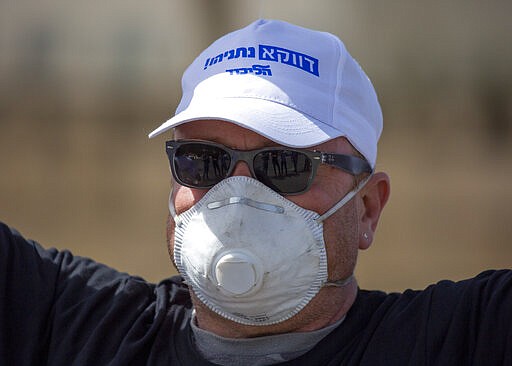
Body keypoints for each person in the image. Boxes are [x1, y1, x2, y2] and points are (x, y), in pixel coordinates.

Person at [1, 19, 511, 366]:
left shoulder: (462, 338)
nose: (237, 194)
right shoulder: (70, 329)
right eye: (202, 160)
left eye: (285, 163)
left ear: (368, 207)